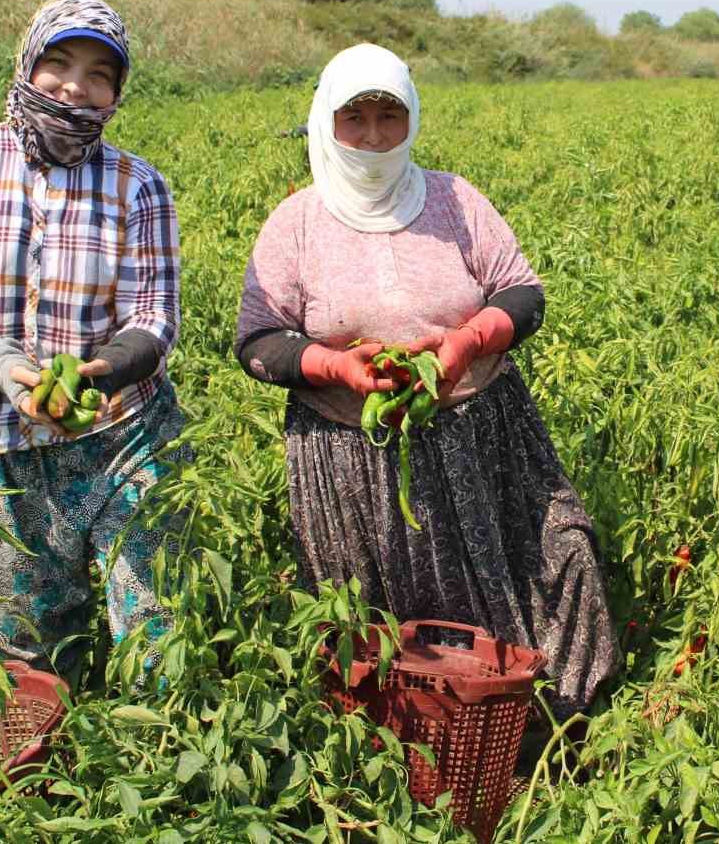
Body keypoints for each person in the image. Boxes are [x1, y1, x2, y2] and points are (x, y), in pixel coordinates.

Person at [234, 43, 616, 719]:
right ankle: (405, 742)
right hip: (352, 455)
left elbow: (523, 294)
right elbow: (259, 342)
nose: (376, 136)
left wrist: (467, 343)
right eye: (356, 117)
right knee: (387, 616)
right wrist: (337, 365)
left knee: (561, 551)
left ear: (412, 117)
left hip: (484, 435)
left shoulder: (453, 199)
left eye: (391, 115)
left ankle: (538, 721)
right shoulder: (295, 224)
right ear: (325, 119)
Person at [0, 0, 191, 679]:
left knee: (157, 627)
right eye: (58, 63)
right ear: (27, 64)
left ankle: (159, 757)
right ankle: (46, 771)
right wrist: (10, 371)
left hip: (119, 435)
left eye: (99, 74)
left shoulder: (137, 184)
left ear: (118, 92)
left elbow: (153, 314)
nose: (75, 86)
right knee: (22, 648)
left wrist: (106, 372)